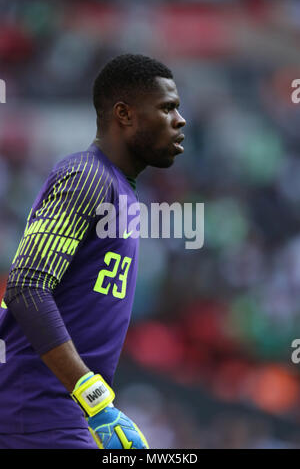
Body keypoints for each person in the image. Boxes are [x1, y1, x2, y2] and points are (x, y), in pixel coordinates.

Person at [0, 54, 186, 449]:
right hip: (33, 415)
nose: (179, 120)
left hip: (55, 415)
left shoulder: (121, 188)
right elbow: (26, 286)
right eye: (167, 108)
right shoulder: (87, 176)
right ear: (124, 114)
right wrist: (94, 399)